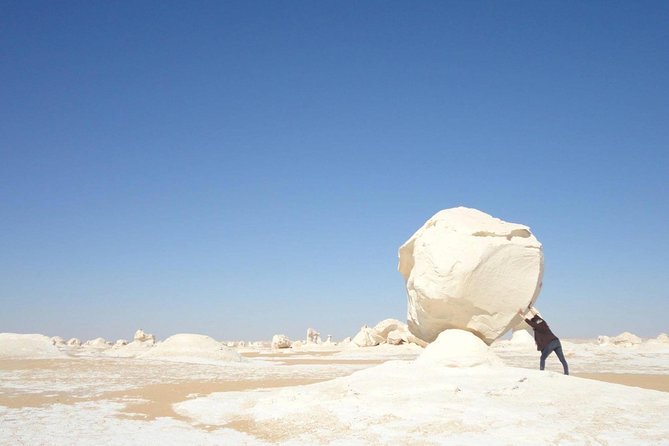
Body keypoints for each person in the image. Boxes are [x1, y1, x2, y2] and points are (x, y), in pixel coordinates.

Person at [517, 306, 569, 375]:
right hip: (557, 341)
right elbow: (536, 315)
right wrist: (530, 308)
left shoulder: (537, 327)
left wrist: (521, 315)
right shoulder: (543, 322)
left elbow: (529, 322)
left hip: (550, 343)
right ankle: (566, 373)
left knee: (542, 358)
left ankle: (542, 372)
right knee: (562, 359)